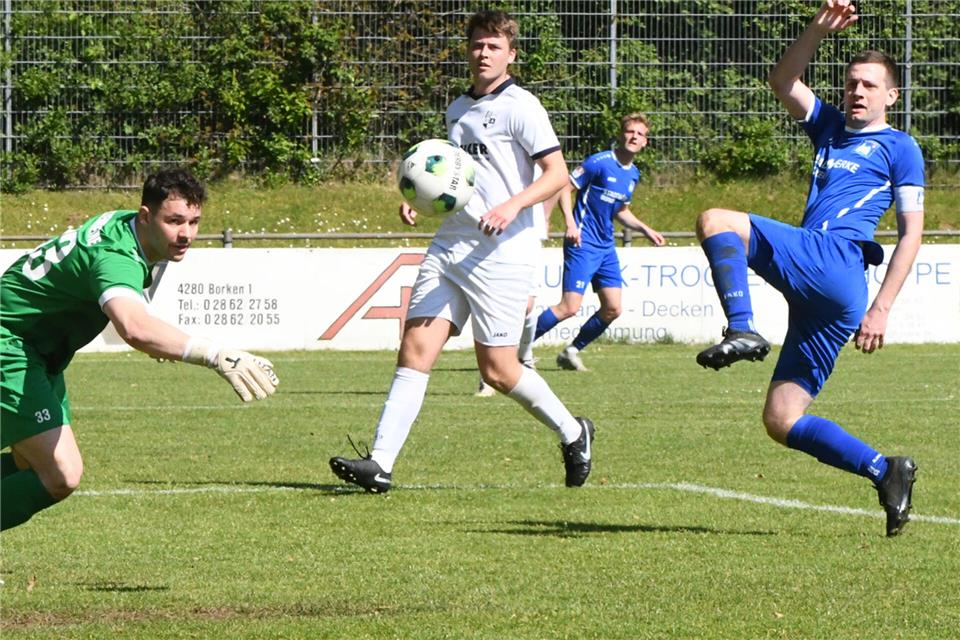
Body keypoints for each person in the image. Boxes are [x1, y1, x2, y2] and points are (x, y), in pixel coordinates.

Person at [329, 9, 594, 493]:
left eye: (494, 45)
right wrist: (419, 203)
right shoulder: (457, 109)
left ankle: (574, 432)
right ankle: (381, 463)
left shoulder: (522, 106)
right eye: (477, 44)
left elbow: (557, 174)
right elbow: (455, 178)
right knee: (414, 348)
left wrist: (514, 206)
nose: (483, 52)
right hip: (451, 243)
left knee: (497, 370)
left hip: (503, 252)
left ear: (511, 54)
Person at [694, 0, 924, 536]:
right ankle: (885, 470)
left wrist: (881, 308)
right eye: (851, 84)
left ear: (891, 95)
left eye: (869, 85)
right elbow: (782, 79)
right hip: (820, 292)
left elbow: (911, 233)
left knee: (715, 218)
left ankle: (743, 328)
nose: (857, 92)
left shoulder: (901, 148)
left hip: (836, 263)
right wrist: (819, 28)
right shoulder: (828, 127)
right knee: (781, 418)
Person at [0, 168, 279, 531]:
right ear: (146, 215)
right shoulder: (116, 255)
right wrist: (215, 354)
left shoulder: (126, 228)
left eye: (194, 222)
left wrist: (160, 342)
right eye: (175, 220)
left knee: (29, 467)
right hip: (12, 347)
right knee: (60, 475)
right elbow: (133, 328)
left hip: (37, 354)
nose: (186, 234)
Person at [533, 113, 666, 371]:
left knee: (612, 308)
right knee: (569, 307)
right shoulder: (600, 162)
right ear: (621, 135)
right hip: (583, 242)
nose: (634, 137)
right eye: (630, 131)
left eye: (640, 134)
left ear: (645, 143)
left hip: (606, 247)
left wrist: (645, 229)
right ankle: (517, 349)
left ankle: (570, 352)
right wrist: (569, 224)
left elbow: (621, 210)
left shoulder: (633, 174)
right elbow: (563, 186)